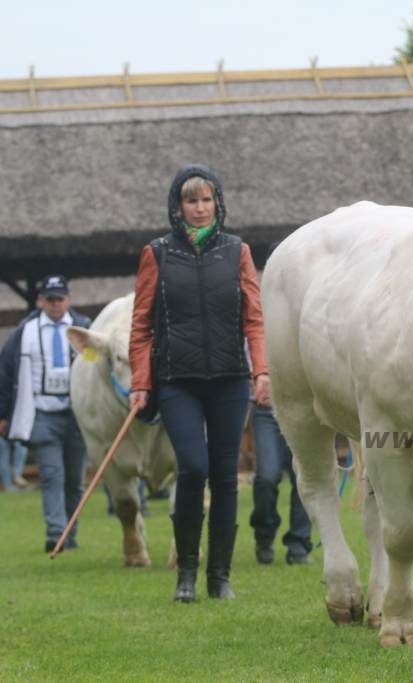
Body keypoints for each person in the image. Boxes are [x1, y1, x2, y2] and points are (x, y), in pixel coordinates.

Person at [129, 164, 271, 603]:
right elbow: (140, 325)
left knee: (226, 477)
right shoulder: (156, 254)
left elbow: (253, 318)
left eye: (206, 199)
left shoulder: (237, 252)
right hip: (177, 380)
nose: (199, 208)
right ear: (178, 206)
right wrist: (140, 380)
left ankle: (219, 577)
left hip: (229, 379)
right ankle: (186, 574)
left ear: (217, 203)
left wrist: (261, 370)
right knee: (192, 468)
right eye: (191, 200)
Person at [0, 275, 91, 550]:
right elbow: (5, 373)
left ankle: (69, 534)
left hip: (77, 415)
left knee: (75, 481)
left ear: (68, 300)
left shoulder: (84, 328)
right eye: (49, 299)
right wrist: (3, 413)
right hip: (42, 414)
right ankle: (55, 533)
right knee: (52, 475)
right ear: (41, 301)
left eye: (59, 299)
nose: (54, 304)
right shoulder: (23, 332)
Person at [250, 403, 313, 565]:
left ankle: (299, 544)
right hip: (267, 408)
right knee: (267, 477)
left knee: (303, 476)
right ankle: (264, 536)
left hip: (303, 408)